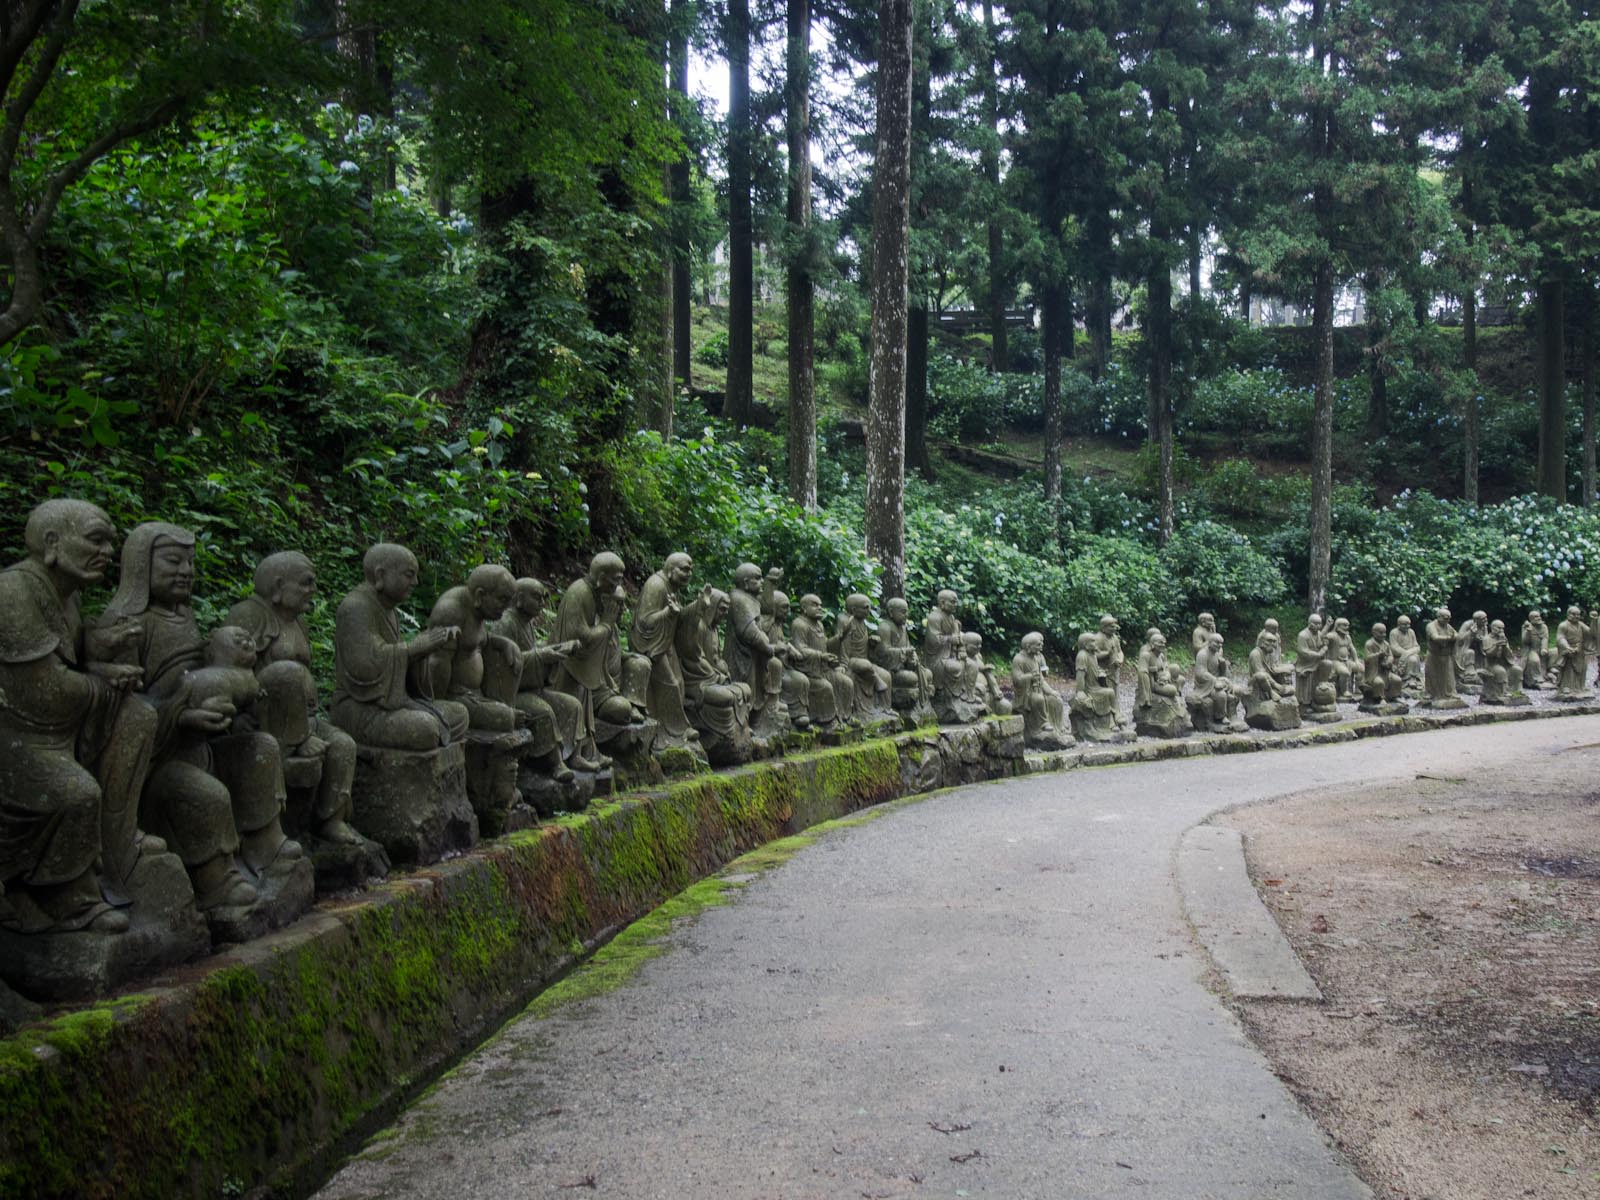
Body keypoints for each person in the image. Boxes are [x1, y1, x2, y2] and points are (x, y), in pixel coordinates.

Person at [227, 551, 361, 844]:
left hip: (306, 715)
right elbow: (231, 668)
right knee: (285, 672)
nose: (312, 590)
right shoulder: (249, 616)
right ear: (278, 586)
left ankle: (331, 818)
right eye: (305, 583)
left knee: (343, 745)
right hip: (265, 715)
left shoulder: (298, 622)